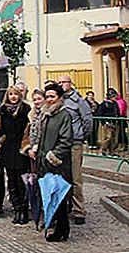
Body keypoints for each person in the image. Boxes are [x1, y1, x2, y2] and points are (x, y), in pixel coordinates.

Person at [38, 83, 73, 242]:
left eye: (52, 96)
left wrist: (53, 156)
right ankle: (60, 228)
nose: (49, 99)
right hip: (45, 161)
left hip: (58, 162)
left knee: (59, 196)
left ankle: (62, 230)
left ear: (59, 97)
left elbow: (66, 140)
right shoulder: (46, 114)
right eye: (47, 96)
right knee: (50, 195)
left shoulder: (64, 115)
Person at [57, 75, 93, 225]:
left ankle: (79, 211)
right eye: (59, 82)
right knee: (62, 177)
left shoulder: (79, 101)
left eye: (64, 82)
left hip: (74, 143)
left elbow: (88, 120)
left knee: (76, 178)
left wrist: (81, 136)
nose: (61, 84)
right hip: (60, 144)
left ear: (70, 84)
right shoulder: (58, 100)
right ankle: (65, 207)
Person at [0, 85, 31, 225]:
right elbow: (1, 131)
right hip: (8, 149)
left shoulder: (26, 110)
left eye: (16, 94)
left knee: (21, 181)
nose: (13, 97)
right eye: (11, 94)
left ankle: (24, 210)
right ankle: (16, 208)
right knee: (11, 180)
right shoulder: (2, 111)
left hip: (21, 149)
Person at [96, 89, 121, 156]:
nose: (115, 97)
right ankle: (103, 150)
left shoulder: (115, 103)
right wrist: (104, 122)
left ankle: (113, 151)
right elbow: (100, 114)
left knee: (114, 138)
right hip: (107, 123)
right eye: (113, 96)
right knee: (108, 137)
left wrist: (118, 120)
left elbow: (118, 112)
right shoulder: (104, 104)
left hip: (115, 122)